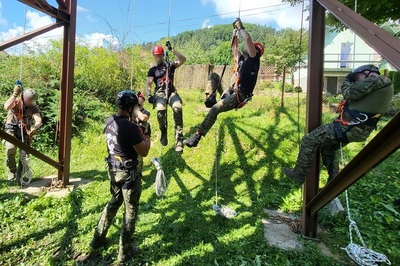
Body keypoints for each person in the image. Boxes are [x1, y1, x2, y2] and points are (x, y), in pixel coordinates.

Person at [284, 64, 393, 185]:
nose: (357, 81)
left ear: (367, 73)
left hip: (349, 128)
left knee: (309, 140)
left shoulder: (375, 80)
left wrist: (347, 80)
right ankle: (333, 181)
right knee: (328, 147)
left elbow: (349, 93)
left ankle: (298, 175)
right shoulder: (382, 84)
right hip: (357, 129)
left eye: (358, 78)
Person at [90, 90, 151, 263]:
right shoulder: (131, 127)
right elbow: (144, 151)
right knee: (130, 210)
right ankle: (125, 251)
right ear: (131, 107)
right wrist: (146, 132)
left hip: (113, 170)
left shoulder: (110, 121)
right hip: (128, 174)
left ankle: (98, 237)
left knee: (114, 202)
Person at [184, 18, 264, 148]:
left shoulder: (253, 60)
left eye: (251, 47)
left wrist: (240, 27)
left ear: (256, 51)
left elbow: (248, 40)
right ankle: (211, 98)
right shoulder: (243, 59)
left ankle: (197, 136)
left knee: (215, 110)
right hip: (230, 91)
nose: (247, 47)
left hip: (239, 96)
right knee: (213, 76)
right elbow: (234, 49)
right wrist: (234, 33)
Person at [146, 41, 186, 153]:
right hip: (160, 93)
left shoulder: (170, 65)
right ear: (154, 57)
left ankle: (179, 139)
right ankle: (163, 130)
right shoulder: (152, 70)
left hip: (172, 92)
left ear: (163, 55)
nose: (158, 58)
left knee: (178, 107)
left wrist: (172, 49)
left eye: (159, 55)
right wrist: (149, 95)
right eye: (156, 56)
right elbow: (148, 84)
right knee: (160, 110)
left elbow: (183, 59)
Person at [3, 82, 42, 183]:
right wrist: (15, 94)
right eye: (30, 100)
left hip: (24, 131)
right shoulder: (15, 102)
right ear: (24, 97)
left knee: (24, 154)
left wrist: (35, 127)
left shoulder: (33, 107)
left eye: (33, 100)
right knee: (10, 149)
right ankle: (12, 170)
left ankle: (20, 175)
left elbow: (38, 119)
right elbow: (6, 106)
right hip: (11, 129)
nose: (31, 102)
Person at [136, 91, 151, 174]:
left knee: (139, 159)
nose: (138, 106)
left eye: (139, 105)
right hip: (131, 137)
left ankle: (138, 175)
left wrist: (136, 110)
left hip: (141, 138)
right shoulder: (130, 111)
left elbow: (143, 118)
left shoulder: (145, 112)